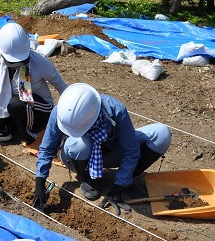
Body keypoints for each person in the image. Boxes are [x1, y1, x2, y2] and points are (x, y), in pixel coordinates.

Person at [34, 83, 172, 215]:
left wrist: (119, 186)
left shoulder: (116, 110)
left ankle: (127, 180)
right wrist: (40, 183)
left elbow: (131, 150)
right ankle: (85, 176)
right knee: (79, 144)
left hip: (111, 151)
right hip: (75, 155)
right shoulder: (61, 111)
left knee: (162, 134)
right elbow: (47, 148)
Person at [0, 23, 67, 145]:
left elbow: (62, 87)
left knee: (16, 104)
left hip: (39, 110)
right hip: (15, 110)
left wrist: (65, 119)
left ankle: (31, 135)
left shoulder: (39, 62)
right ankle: (1, 128)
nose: (17, 63)